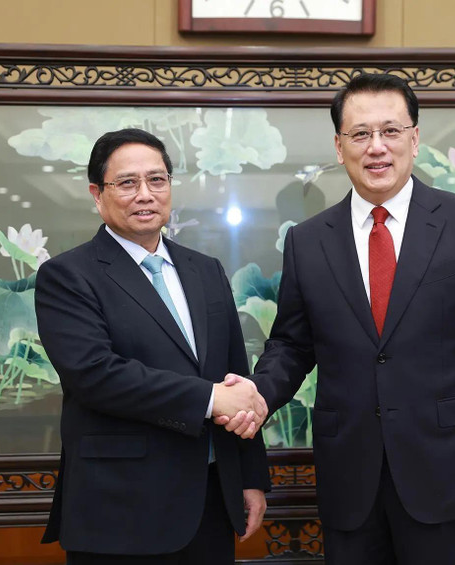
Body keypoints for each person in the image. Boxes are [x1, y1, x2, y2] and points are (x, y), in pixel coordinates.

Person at [218, 73, 455, 564]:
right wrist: (258, 397)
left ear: (415, 138)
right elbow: (293, 345)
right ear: (339, 147)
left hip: (447, 470)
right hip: (350, 475)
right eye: (360, 134)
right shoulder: (308, 239)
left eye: (391, 131)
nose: (376, 147)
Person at [36, 128, 270, 564]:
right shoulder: (68, 276)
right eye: (127, 183)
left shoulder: (206, 270)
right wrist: (210, 397)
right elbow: (96, 376)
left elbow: (236, 375)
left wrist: (250, 476)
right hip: (121, 507)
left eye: (157, 180)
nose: (145, 194)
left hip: (210, 500)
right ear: (97, 194)